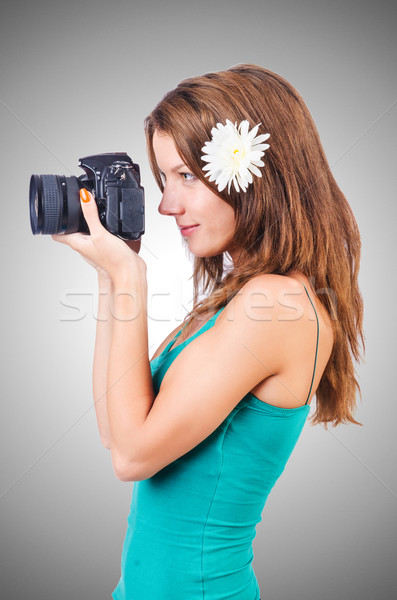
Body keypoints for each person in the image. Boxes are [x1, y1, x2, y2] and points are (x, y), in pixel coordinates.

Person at [52, 64, 365, 600]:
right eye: (164, 180)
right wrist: (112, 273)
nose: (167, 205)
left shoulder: (277, 303)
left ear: (253, 171)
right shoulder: (234, 299)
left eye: (188, 177)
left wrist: (131, 276)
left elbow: (132, 456)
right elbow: (114, 429)